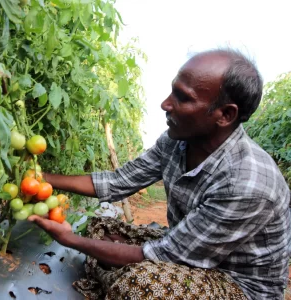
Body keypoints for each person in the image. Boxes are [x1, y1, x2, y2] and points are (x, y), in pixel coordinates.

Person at [28, 49, 291, 300]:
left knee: (141, 286)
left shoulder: (247, 183)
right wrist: (41, 179)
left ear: (225, 114)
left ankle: (116, 278)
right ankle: (114, 275)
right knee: (101, 228)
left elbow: (167, 255)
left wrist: (70, 240)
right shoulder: (175, 141)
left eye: (183, 97)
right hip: (189, 252)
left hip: (236, 285)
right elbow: (118, 182)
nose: (165, 104)